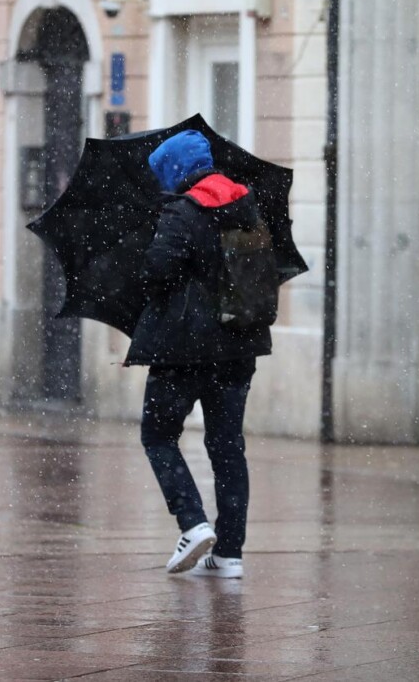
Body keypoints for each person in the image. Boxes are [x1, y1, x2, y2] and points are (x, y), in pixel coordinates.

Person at [125, 130, 272, 579]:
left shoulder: (182, 213)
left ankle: (193, 523)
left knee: (158, 436)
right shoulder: (247, 206)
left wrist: (149, 251)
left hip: (182, 351)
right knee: (227, 448)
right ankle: (229, 554)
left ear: (176, 171)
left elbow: (157, 274)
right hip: (238, 347)